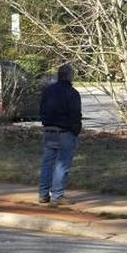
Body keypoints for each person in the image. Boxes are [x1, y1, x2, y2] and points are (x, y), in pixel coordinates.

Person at [38, 63, 83, 205]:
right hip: (65, 131)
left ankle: (43, 193)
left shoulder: (48, 91)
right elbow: (75, 115)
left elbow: (41, 109)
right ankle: (57, 196)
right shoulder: (72, 93)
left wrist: (45, 123)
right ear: (70, 76)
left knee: (47, 163)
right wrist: (76, 131)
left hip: (49, 130)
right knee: (62, 164)